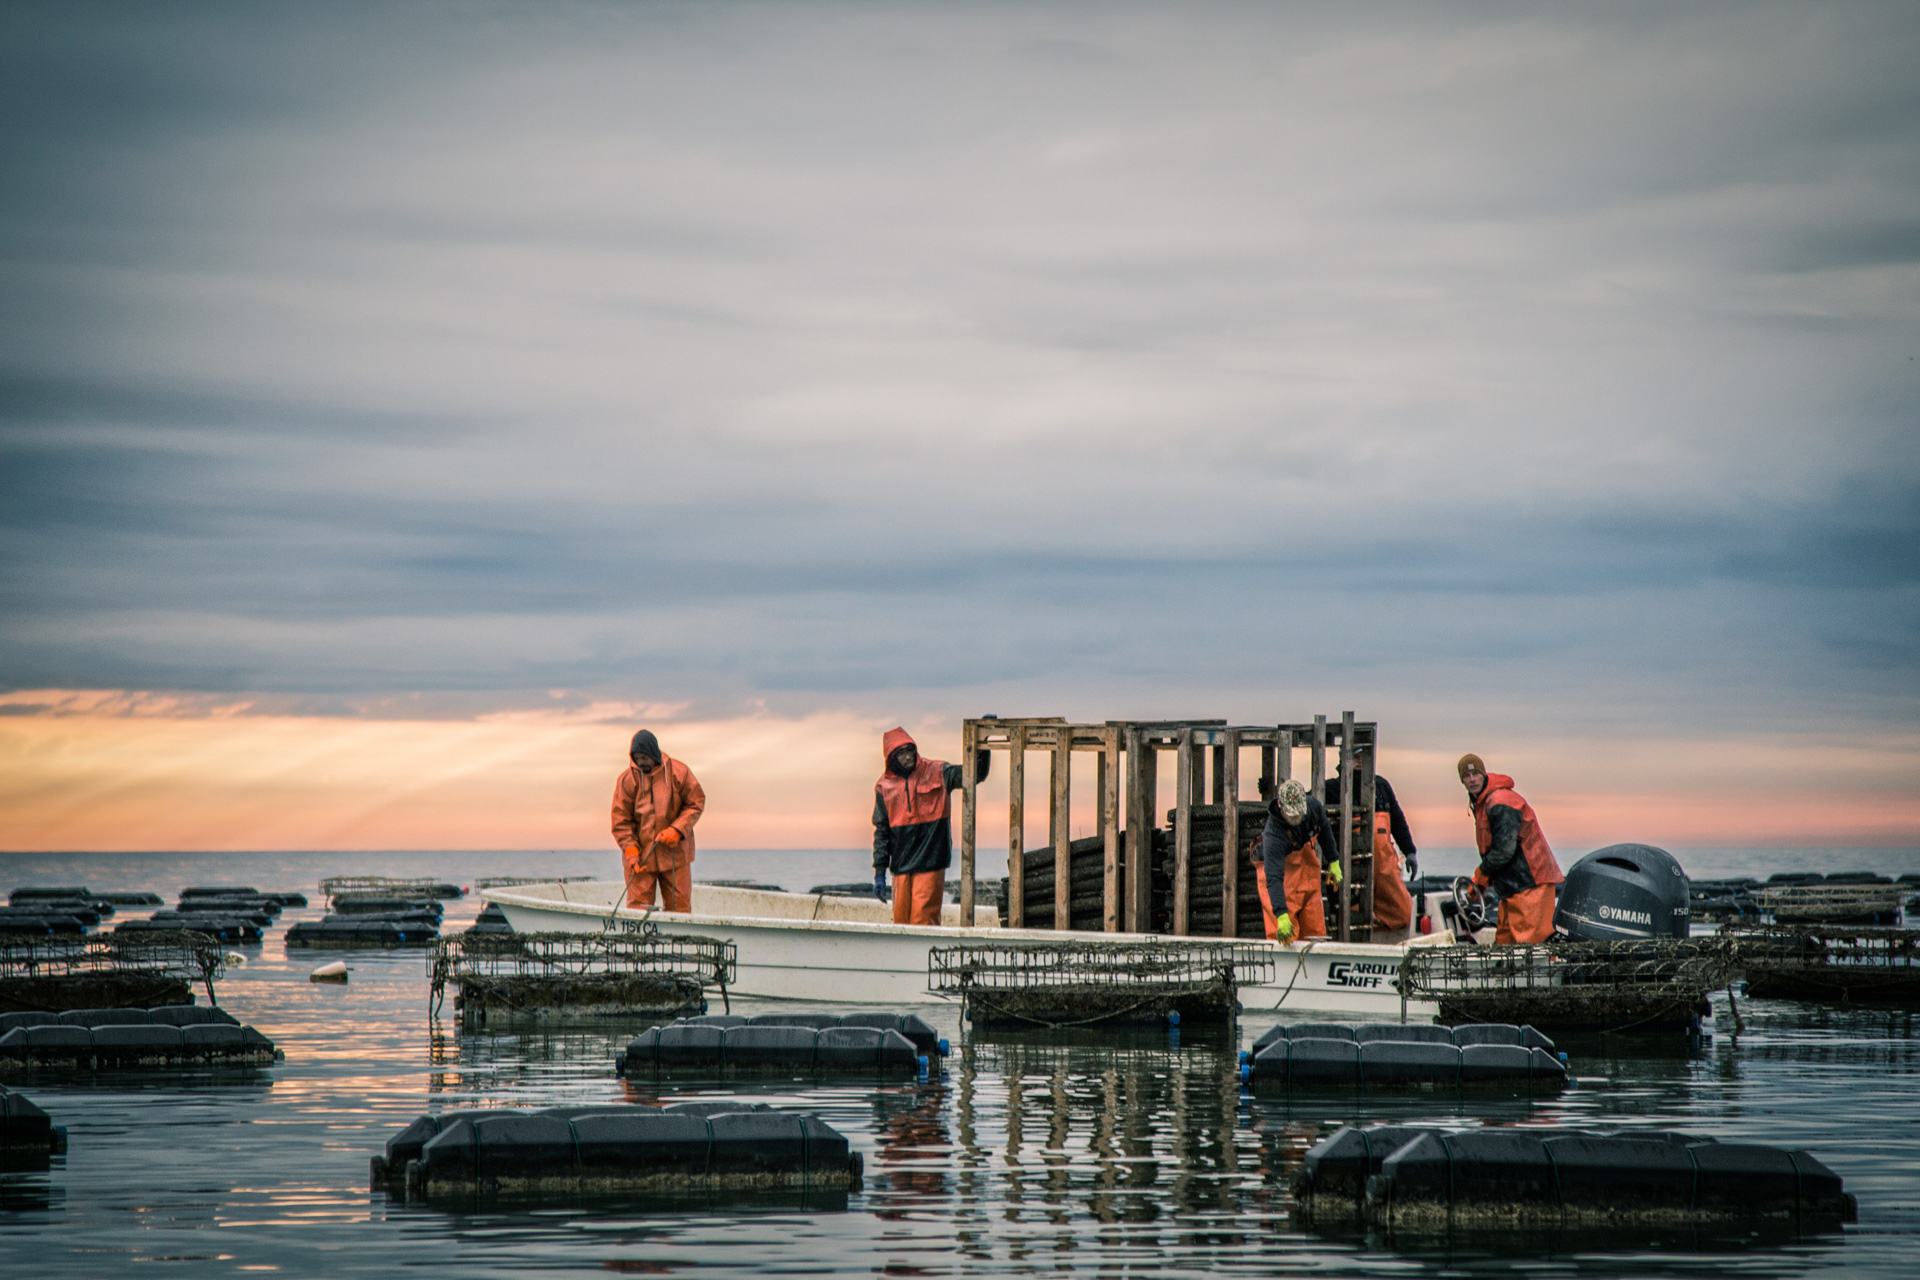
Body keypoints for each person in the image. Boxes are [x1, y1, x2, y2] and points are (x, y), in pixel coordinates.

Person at [872, 727, 990, 926]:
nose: (908, 756)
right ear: (891, 758)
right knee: (901, 924)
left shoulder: (938, 772)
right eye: (901, 753)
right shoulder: (883, 787)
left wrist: (984, 743)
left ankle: (922, 956)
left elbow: (975, 774)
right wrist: (879, 873)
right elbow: (882, 833)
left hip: (931, 861)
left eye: (910, 750)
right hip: (900, 866)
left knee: (923, 921)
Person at [1457, 753, 1563, 944]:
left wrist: (1480, 875)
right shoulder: (1483, 801)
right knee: (1505, 943)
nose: (1472, 780)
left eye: (1476, 774)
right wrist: (1481, 882)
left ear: (1484, 774)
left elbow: (1504, 851)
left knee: (1530, 946)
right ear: (1462, 781)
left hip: (1530, 883)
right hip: (1511, 886)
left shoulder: (1501, 801)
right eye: (1466, 776)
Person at [611, 729, 706, 912]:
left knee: (680, 909)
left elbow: (696, 802)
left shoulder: (679, 773)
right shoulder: (627, 780)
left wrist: (677, 829)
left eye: (644, 757)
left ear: (653, 753)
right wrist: (630, 849)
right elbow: (620, 819)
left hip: (675, 855)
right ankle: (638, 942)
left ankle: (678, 941)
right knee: (637, 910)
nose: (640, 762)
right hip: (640, 857)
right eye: (636, 758)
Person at [1322, 760, 1418, 936]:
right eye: (1354, 756)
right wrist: (1273, 791)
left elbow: (1397, 819)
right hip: (1352, 871)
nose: (1360, 761)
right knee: (1352, 920)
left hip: (1385, 868)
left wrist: (1410, 851)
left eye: (1363, 755)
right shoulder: (1331, 788)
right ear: (1344, 758)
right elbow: (1304, 802)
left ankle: (1383, 944)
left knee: (1404, 915)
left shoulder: (1381, 786)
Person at [1256, 778, 1343, 942]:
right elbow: (1273, 878)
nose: (1297, 817)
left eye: (1299, 812)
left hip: (1308, 881)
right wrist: (1281, 914)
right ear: (1281, 807)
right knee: (1286, 939)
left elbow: (1324, 828)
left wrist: (1333, 860)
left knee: (1316, 935)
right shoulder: (1273, 836)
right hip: (1282, 885)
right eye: (1292, 814)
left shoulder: (1313, 807)